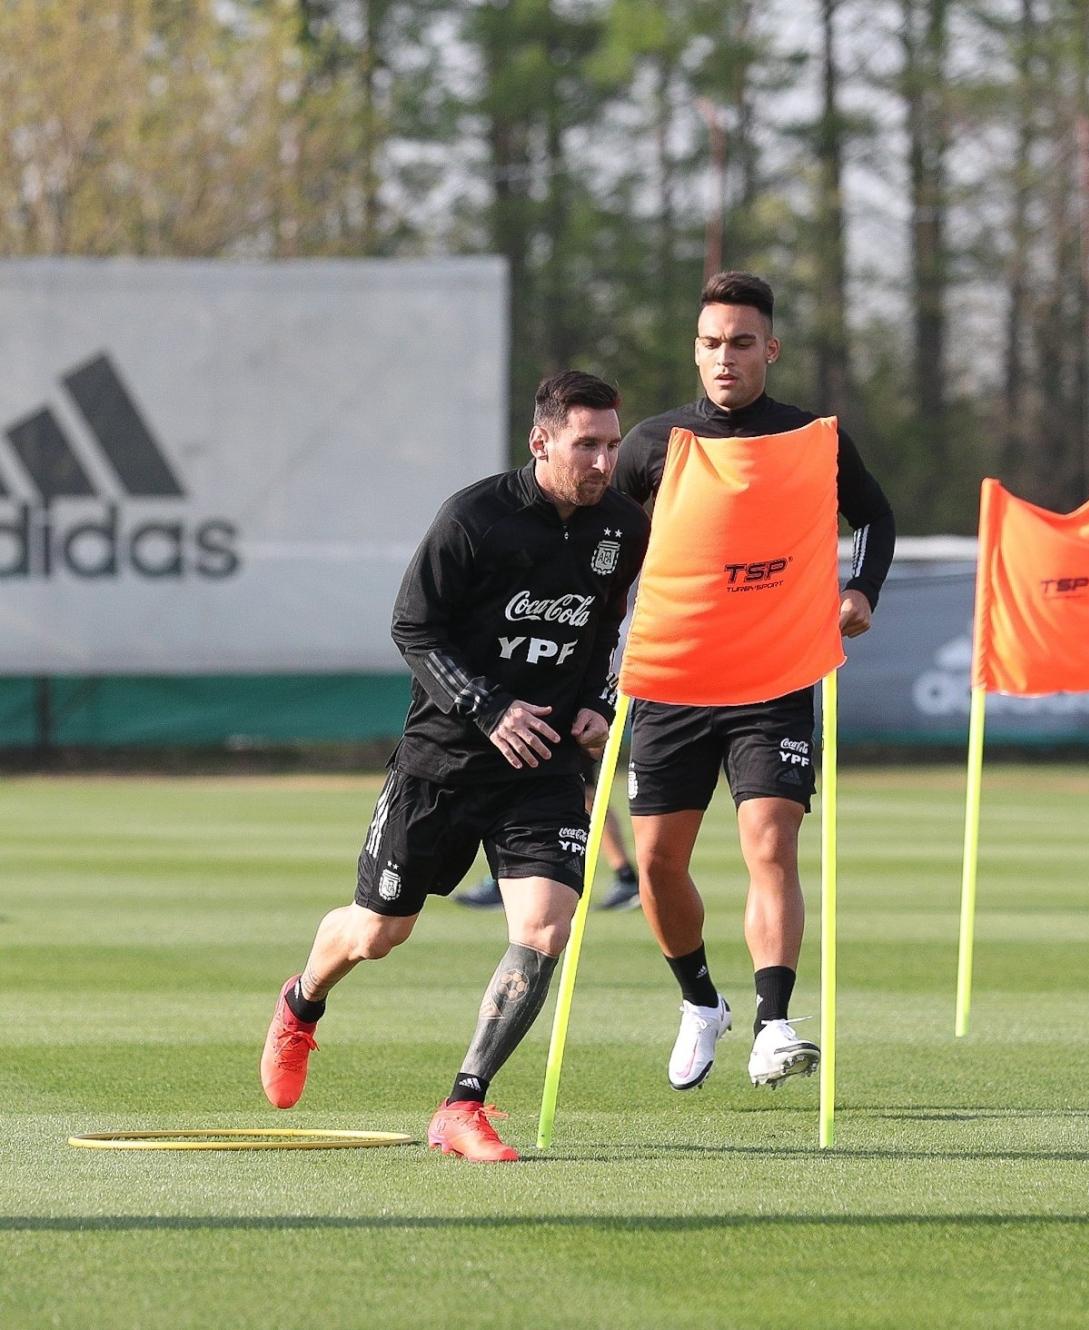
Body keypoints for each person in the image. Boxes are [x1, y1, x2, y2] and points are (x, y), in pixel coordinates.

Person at [259, 371, 648, 1162]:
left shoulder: (621, 529)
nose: (604, 460)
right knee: (377, 932)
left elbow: (614, 632)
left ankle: (463, 1103)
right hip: (441, 762)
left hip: (540, 769)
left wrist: (600, 704)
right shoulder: (475, 517)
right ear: (541, 442)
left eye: (611, 444)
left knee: (544, 928)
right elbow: (413, 626)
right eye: (587, 444)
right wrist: (490, 708)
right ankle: (301, 1004)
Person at [613, 271, 895, 1090]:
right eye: (711, 344)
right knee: (660, 863)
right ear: (694, 351)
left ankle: (774, 1023)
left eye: (741, 342)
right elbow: (611, 545)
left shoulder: (812, 437)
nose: (725, 357)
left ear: (768, 348)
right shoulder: (651, 444)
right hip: (672, 678)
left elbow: (874, 515)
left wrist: (860, 589)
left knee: (770, 843)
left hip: (773, 676)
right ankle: (702, 1004)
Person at [455, 769, 639, 910]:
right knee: (518, 788)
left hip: (565, 726)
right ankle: (506, 875)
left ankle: (626, 876)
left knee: (583, 794)